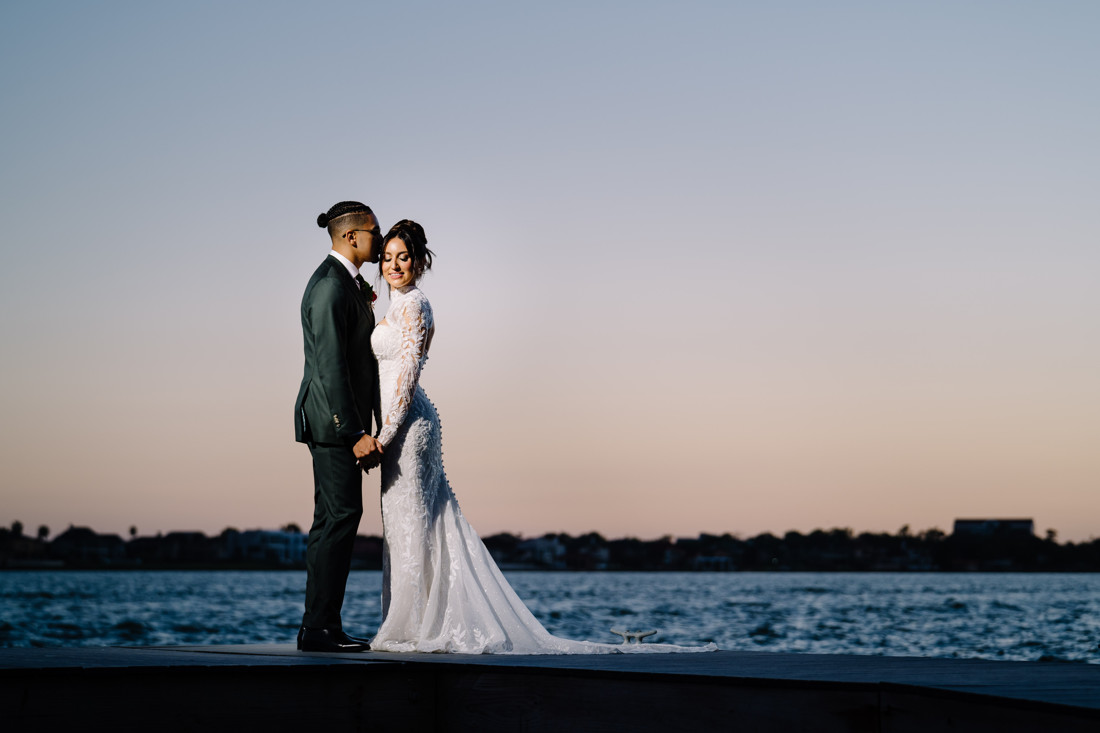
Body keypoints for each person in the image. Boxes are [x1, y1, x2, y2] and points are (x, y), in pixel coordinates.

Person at [368, 220, 716, 654]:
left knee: (413, 520)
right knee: (407, 521)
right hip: (400, 424)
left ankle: (412, 624)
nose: (394, 265)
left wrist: (384, 433)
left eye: (403, 257)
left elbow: (406, 375)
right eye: (387, 257)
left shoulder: (415, 305)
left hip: (406, 425)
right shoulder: (395, 305)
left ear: (419, 261)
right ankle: (408, 618)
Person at [294, 201, 385, 653]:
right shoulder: (331, 286)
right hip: (333, 424)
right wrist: (353, 433)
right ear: (351, 236)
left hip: (336, 421)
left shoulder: (347, 285)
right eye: (375, 231)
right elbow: (330, 367)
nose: (381, 239)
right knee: (340, 517)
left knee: (332, 518)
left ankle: (320, 625)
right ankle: (319, 628)